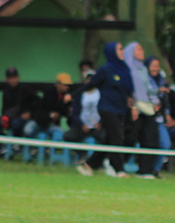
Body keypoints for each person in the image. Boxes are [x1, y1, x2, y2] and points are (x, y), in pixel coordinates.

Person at [76, 42, 134, 178]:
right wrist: (73, 95)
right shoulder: (106, 69)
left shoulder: (124, 68)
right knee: (116, 137)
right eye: (120, 49)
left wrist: (129, 99)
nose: (122, 51)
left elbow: (127, 88)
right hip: (107, 108)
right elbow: (91, 84)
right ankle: (119, 169)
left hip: (120, 108)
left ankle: (88, 164)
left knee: (109, 138)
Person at [123, 42, 160, 179]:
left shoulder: (143, 69)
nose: (142, 51)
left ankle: (145, 170)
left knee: (151, 138)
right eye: (139, 49)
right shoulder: (127, 68)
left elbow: (147, 89)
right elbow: (127, 90)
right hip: (133, 109)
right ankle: (115, 164)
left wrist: (156, 100)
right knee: (130, 138)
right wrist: (133, 106)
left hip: (146, 108)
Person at [0, 67, 37, 159]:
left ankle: (16, 144)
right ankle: (5, 141)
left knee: (16, 124)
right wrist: (3, 117)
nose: (12, 80)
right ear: (6, 79)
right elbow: (4, 108)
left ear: (18, 78)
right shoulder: (6, 90)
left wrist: (30, 113)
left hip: (21, 119)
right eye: (10, 78)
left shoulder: (25, 89)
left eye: (14, 77)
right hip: (9, 118)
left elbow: (37, 102)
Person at [24, 73, 74, 162]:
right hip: (40, 122)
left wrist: (61, 109)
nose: (67, 87)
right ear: (58, 84)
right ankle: (33, 149)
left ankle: (49, 151)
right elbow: (50, 106)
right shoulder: (49, 92)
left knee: (61, 134)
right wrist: (57, 111)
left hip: (51, 125)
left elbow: (66, 111)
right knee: (28, 129)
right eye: (65, 85)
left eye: (68, 85)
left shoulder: (66, 95)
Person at [64, 68, 103, 162]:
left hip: (97, 127)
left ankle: (97, 161)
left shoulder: (101, 93)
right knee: (68, 136)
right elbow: (75, 114)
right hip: (82, 127)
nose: (89, 81)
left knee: (105, 138)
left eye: (92, 78)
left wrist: (100, 123)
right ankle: (83, 154)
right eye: (87, 78)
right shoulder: (80, 94)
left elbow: (106, 111)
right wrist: (82, 125)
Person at [145, 56, 174, 176]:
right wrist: (158, 91)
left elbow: (165, 100)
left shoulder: (161, 79)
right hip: (147, 117)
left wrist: (167, 114)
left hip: (159, 118)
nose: (155, 68)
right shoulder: (144, 79)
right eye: (153, 66)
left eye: (157, 66)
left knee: (165, 144)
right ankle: (145, 169)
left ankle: (155, 169)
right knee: (148, 144)